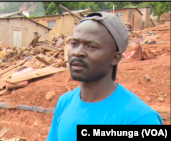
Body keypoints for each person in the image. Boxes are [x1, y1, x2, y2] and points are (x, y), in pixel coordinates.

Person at [46, 12, 163, 141]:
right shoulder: (65, 103)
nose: (77, 52)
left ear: (114, 58)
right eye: (74, 44)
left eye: (91, 46)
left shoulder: (140, 119)